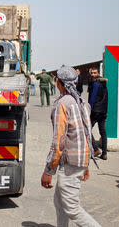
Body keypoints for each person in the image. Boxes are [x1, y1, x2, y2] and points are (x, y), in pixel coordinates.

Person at [41, 66, 101, 227]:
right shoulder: (81, 102)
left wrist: (48, 170)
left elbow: (58, 141)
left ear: (58, 82)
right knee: (59, 202)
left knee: (72, 208)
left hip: (71, 163)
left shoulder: (62, 104)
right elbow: (86, 134)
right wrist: (86, 164)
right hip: (79, 161)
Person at [88, 67, 108, 160]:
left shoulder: (96, 84)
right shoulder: (103, 83)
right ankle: (104, 153)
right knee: (103, 132)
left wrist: (89, 110)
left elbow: (92, 99)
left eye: (95, 73)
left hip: (95, 111)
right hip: (103, 111)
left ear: (98, 73)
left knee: (86, 129)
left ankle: (96, 149)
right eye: (92, 73)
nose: (93, 74)